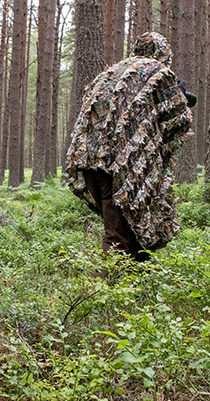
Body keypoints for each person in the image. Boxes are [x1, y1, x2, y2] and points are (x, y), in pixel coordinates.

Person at [64, 32, 196, 262]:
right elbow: (178, 120)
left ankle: (135, 293)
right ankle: (104, 294)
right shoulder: (158, 72)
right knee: (120, 239)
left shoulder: (110, 73)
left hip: (89, 163)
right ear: (163, 54)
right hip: (123, 170)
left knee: (134, 233)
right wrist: (180, 97)